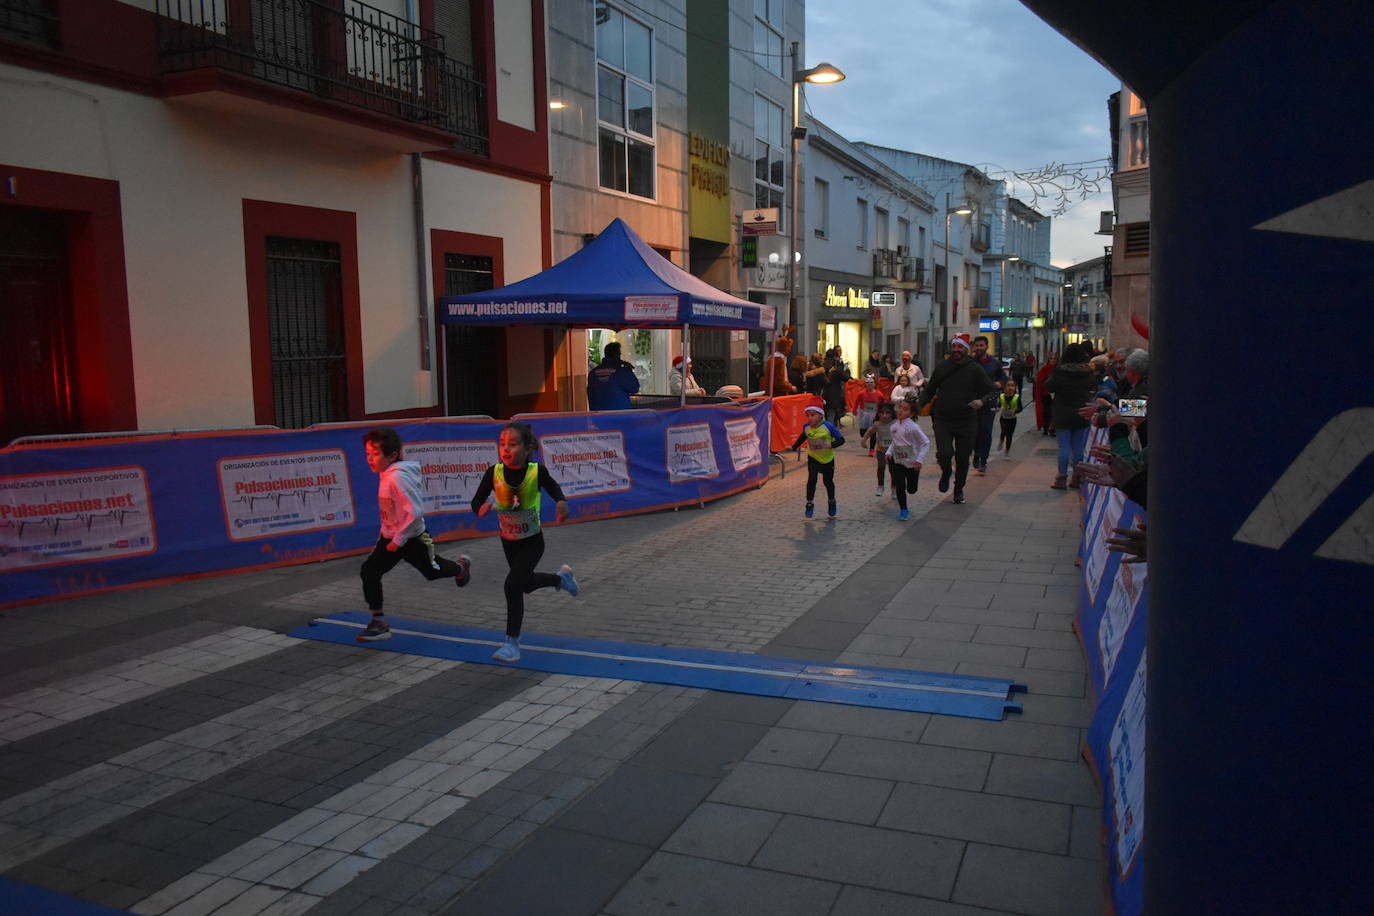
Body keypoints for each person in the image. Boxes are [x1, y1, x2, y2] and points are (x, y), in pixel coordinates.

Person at [471, 421, 578, 662]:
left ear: (528, 448)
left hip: (532, 541)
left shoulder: (535, 471)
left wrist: (561, 503)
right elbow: (476, 501)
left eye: (513, 444)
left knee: (512, 586)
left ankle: (512, 644)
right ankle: (561, 579)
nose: (506, 449)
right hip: (509, 541)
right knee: (526, 584)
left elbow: (553, 488)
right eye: (502, 444)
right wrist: (480, 509)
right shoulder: (494, 473)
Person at [358, 428, 472, 642]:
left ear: (392, 456)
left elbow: (415, 512)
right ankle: (379, 622)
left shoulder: (398, 478)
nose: (370, 459)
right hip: (391, 538)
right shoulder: (386, 474)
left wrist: (399, 539)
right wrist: (388, 535)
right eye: (367, 454)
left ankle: (460, 568)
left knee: (432, 572)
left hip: (414, 539)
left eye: (374, 454)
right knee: (369, 571)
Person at [917, 334, 995, 505]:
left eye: (960, 347)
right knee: (944, 453)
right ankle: (946, 472)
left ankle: (958, 489)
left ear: (966, 349)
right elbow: (930, 390)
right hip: (943, 419)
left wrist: (981, 401)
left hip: (966, 421)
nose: (956, 350)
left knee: (962, 458)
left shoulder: (975, 369)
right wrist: (917, 407)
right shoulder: (942, 367)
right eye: (954, 347)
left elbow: (992, 390)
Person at [1043, 343, 1098, 490]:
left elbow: (1048, 386)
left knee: (1064, 447)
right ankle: (1077, 477)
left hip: (1063, 412)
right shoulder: (1087, 373)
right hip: (1082, 412)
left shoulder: (1060, 372)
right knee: (1078, 447)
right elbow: (1093, 386)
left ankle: (1061, 478)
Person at [790, 403, 845, 518]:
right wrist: (794, 447)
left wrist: (832, 444)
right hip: (813, 458)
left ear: (821, 415)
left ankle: (831, 502)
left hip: (827, 459)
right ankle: (809, 503)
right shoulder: (807, 427)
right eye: (808, 415)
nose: (810, 418)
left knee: (828, 482)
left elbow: (841, 440)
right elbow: (803, 437)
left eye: (813, 415)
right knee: (812, 480)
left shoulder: (828, 427)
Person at [886, 397, 930, 520]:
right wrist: (889, 452)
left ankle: (912, 485)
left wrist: (919, 459)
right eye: (900, 408)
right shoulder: (893, 427)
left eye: (905, 409)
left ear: (911, 413)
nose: (900, 411)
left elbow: (925, 443)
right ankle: (903, 510)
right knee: (900, 486)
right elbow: (894, 442)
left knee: (911, 489)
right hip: (898, 461)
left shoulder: (913, 427)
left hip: (912, 463)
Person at [970, 335, 1007, 474]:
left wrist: (999, 383)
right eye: (977, 346)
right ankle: (977, 453)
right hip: (974, 401)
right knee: (974, 431)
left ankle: (983, 460)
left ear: (986, 346)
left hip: (990, 401)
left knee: (986, 431)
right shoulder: (971, 362)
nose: (979, 348)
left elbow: (1003, 377)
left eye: (981, 345)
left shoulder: (995, 363)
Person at [586, 341, 640, 410]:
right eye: (619, 354)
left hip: (598, 417)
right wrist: (628, 369)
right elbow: (635, 388)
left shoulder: (593, 373)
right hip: (619, 417)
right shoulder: (621, 372)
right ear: (616, 355)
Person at [862, 400, 897, 496]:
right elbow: (869, 432)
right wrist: (863, 441)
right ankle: (880, 486)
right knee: (881, 467)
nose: (884, 416)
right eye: (882, 413)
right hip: (881, 450)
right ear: (879, 414)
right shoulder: (877, 424)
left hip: (893, 452)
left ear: (892, 414)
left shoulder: (895, 423)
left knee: (893, 470)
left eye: (887, 413)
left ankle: (894, 487)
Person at [854, 375, 886, 451]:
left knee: (873, 432)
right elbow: (856, 402)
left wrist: (882, 414)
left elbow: (883, 404)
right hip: (863, 414)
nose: (869, 384)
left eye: (871, 382)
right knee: (862, 432)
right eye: (867, 382)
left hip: (874, 415)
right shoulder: (861, 393)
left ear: (875, 384)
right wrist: (854, 410)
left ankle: (872, 449)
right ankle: (865, 437)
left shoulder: (879, 394)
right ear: (865, 384)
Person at [822, 347, 850, 426]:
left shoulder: (822, 367)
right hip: (834, 396)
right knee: (831, 416)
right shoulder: (835, 369)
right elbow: (845, 377)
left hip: (823, 396)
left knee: (826, 415)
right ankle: (830, 434)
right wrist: (846, 369)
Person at [997, 379, 1023, 460]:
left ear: (1015, 388)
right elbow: (999, 405)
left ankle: (1007, 452)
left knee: (1009, 435)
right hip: (1003, 418)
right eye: (1008, 385)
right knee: (1004, 431)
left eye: (1012, 386)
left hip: (1012, 419)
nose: (1010, 387)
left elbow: (1020, 408)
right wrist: (996, 408)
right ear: (1005, 387)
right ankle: (1001, 441)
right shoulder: (1002, 396)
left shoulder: (1017, 397)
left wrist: (1015, 410)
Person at [1034, 352, 1058, 435]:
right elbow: (1039, 382)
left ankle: (1052, 428)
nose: (1053, 360)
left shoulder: (1059, 369)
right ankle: (1046, 427)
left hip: (1056, 395)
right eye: (1051, 358)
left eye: (1055, 358)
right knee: (1046, 412)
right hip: (1045, 395)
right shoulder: (1044, 369)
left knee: (1054, 412)